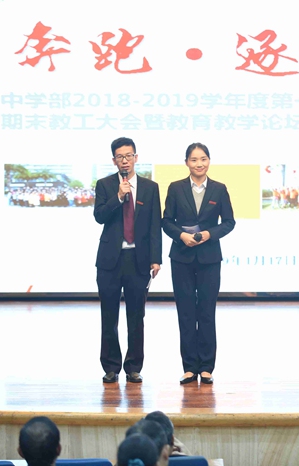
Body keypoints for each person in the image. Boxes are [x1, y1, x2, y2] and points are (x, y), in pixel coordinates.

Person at [162, 142, 235, 385]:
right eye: (194, 160)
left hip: (209, 258)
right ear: (186, 163)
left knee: (206, 312)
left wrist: (209, 234)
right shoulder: (176, 188)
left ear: (209, 161)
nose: (199, 164)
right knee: (185, 312)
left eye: (203, 159)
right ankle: (189, 368)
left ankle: (206, 367)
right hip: (181, 257)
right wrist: (181, 235)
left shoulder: (219, 189)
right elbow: (166, 221)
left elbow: (229, 222)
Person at [94, 136, 162, 384]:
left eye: (129, 155)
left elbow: (155, 225)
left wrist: (156, 259)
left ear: (136, 157)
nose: (125, 160)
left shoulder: (150, 187)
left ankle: (134, 367)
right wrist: (118, 197)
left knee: (136, 316)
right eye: (120, 157)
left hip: (138, 259)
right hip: (110, 260)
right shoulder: (104, 185)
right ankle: (111, 367)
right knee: (109, 315)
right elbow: (99, 216)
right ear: (114, 160)